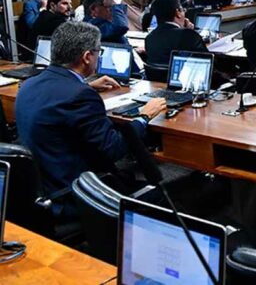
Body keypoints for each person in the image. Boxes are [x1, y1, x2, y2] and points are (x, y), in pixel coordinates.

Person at [15, 21, 166, 219]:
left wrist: (86, 85)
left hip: (43, 188)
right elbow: (114, 149)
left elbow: (58, 101)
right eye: (98, 52)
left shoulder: (29, 84)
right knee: (163, 197)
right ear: (87, 57)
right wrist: (144, 116)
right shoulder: (80, 96)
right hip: (75, 195)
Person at [145, 0, 205, 67]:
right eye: (183, 10)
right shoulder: (189, 35)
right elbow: (207, 61)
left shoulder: (149, 38)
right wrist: (191, 33)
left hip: (156, 75)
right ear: (178, 13)